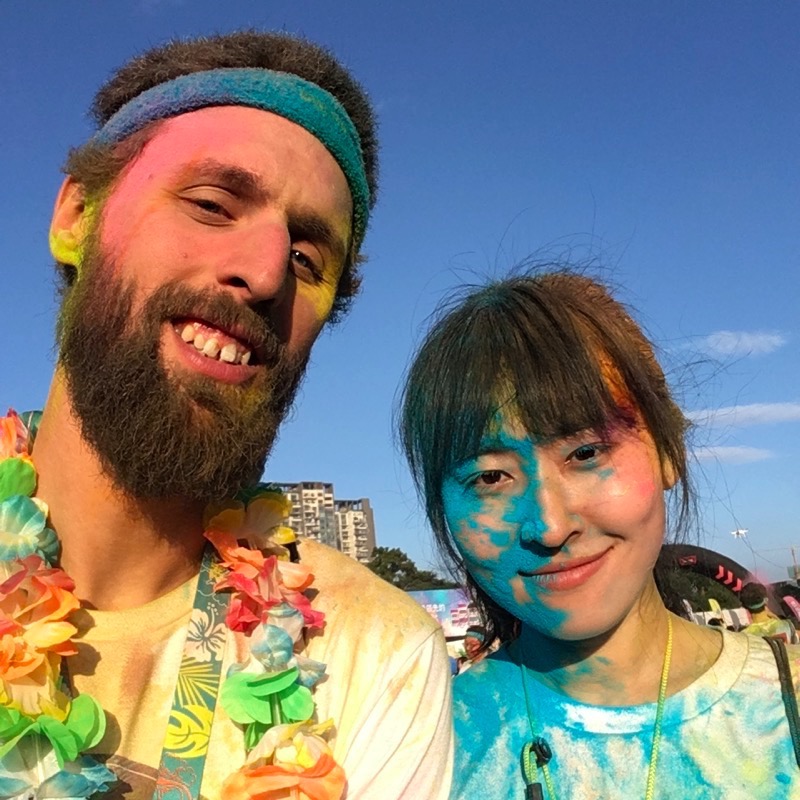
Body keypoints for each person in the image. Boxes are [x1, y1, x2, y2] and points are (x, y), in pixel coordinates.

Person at [0, 31, 451, 800]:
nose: (267, 270)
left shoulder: (372, 652)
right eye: (212, 204)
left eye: (309, 260)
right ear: (75, 215)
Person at [399, 270, 800, 799]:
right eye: (490, 477)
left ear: (668, 450)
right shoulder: (409, 748)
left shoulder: (786, 696)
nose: (550, 525)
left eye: (586, 453)